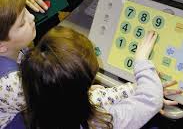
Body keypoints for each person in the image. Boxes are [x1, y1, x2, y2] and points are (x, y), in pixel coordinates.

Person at [20, 26, 164, 129]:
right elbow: (152, 99)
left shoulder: (39, 110)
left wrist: (137, 88)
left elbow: (97, 96)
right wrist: (141, 61)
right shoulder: (104, 122)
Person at [0, 0, 36, 129]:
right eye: (22, 23)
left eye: (26, 10)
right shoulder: (12, 83)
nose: (32, 17)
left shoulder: (14, 50)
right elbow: (52, 101)